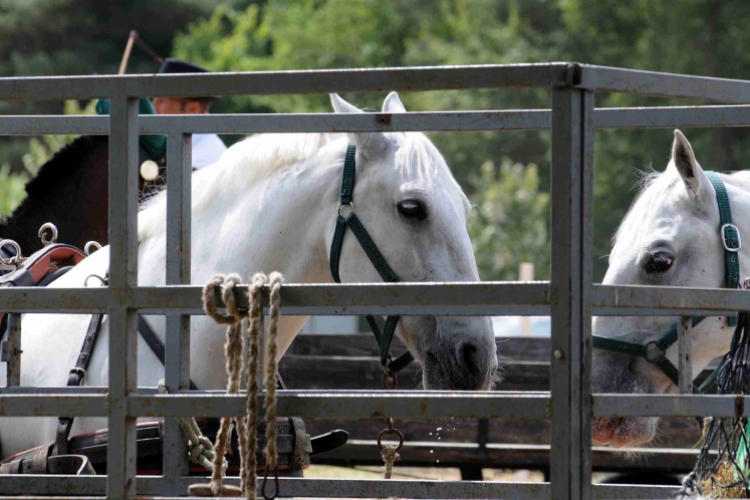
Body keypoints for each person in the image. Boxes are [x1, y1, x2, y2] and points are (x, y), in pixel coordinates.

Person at [151, 58, 227, 170]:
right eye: (154, 99)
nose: (154, 107)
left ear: (192, 109)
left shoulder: (207, 159)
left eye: (162, 101)